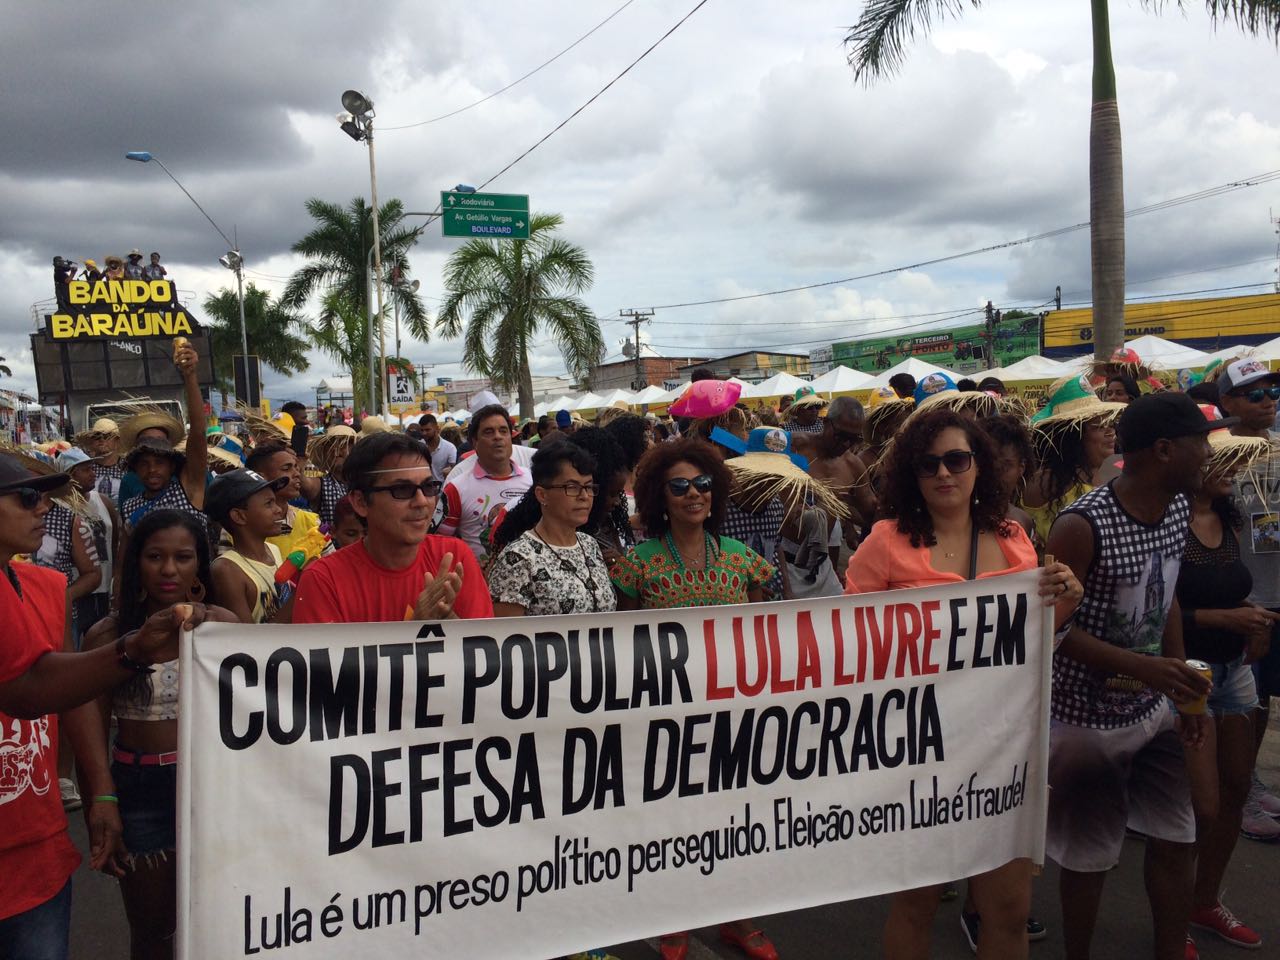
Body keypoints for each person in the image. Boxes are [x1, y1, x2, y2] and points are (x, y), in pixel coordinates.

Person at [845, 408, 1082, 960]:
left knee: (1008, 910)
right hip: (918, 756)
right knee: (917, 905)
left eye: (956, 459)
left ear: (979, 466)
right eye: (929, 464)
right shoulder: (886, 543)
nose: (943, 474)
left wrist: (1065, 598)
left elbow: (1033, 642)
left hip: (1005, 751)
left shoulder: (1013, 537)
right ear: (911, 473)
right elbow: (849, 644)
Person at [1045, 393, 1217, 960]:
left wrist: (1182, 684)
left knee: (1178, 836)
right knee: (1089, 858)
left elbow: (1164, 594)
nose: (1208, 456)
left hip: (1154, 711)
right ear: (1165, 450)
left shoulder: (1174, 509)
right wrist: (1148, 668)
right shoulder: (1081, 525)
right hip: (1085, 723)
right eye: (1201, 444)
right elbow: (1052, 633)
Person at [0, 455, 186, 960]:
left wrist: (101, 797)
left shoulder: (45, 586)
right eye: (27, 498)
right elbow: (26, 690)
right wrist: (133, 650)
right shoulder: (111, 633)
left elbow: (68, 690)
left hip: (35, 841)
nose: (44, 508)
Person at [612, 437, 778, 960]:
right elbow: (622, 643)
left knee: (736, 820)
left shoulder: (744, 561)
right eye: (679, 485)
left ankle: (739, 919)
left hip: (733, 715)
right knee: (674, 823)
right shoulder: (636, 566)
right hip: (665, 717)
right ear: (660, 496)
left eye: (702, 483)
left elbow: (769, 637)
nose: (693, 494)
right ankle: (675, 921)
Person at [82, 510, 237, 960]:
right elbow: (90, 720)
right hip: (140, 789)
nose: (169, 570)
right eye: (155, 557)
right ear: (136, 565)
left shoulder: (221, 626)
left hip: (215, 788)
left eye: (183, 557)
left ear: (199, 565)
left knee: (221, 919)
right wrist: (103, 798)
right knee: (152, 930)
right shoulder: (108, 634)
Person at [1174, 409, 1276, 950]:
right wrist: (1224, 619)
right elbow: (1155, 617)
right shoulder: (1166, 524)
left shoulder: (1232, 519)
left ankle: (1205, 900)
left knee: (1236, 788)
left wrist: (1253, 616)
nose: (1231, 469)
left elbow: (1231, 588)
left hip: (1236, 671)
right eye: (1219, 458)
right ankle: (1173, 911)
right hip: (1184, 673)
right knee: (1196, 801)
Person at [293, 432, 492, 623]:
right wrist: (417, 628)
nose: (422, 501)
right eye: (402, 490)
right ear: (360, 502)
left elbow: (484, 649)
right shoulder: (323, 581)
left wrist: (447, 620)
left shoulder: (455, 558)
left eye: (428, 486)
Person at [1216, 358, 1280, 838]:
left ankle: (1250, 781)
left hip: (1276, 590)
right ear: (1228, 403)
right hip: (1242, 598)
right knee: (1245, 699)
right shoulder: (1218, 458)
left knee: (1265, 700)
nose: (1268, 401)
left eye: (1271, 391)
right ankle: (1242, 788)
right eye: (1254, 394)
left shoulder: (1278, 451)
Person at [491, 443, 615, 617]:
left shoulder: (589, 544)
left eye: (588, 487)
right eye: (572, 487)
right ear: (542, 495)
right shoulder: (518, 558)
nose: (584, 496)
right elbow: (506, 635)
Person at [119, 343, 208, 537]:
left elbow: (199, 433)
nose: (152, 470)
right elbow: (125, 558)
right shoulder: (129, 507)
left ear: (171, 465)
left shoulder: (189, 489)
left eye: (159, 462)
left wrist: (190, 376)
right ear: (134, 467)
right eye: (144, 463)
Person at [1023, 374, 1124, 544]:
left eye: (1110, 423)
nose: (1110, 432)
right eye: (1098, 426)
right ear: (1074, 436)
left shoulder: (1115, 468)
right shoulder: (1047, 482)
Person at [437, 404, 533, 565]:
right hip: (480, 587)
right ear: (474, 442)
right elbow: (440, 544)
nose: (498, 437)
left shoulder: (533, 480)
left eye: (503, 431)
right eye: (488, 432)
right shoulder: (456, 488)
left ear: (511, 437)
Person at [207, 470, 295, 624]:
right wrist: (302, 594)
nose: (279, 509)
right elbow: (247, 640)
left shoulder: (272, 550)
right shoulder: (227, 569)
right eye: (269, 504)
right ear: (239, 516)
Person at [59, 447, 120, 647]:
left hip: (103, 590)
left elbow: (115, 540)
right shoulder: (60, 507)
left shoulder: (103, 501)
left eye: (92, 467)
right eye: (86, 469)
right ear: (70, 474)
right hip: (77, 591)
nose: (93, 473)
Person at [245, 442, 324, 560]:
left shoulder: (313, 523)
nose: (297, 474)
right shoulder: (241, 526)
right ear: (260, 477)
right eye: (286, 468)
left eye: (296, 467)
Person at [979, 413, 1038, 544]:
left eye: (1004, 467)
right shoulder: (963, 519)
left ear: (1021, 467)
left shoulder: (1023, 521)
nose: (994, 474)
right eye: (989, 465)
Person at [299, 425, 356, 527]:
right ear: (325, 454)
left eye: (344, 446)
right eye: (332, 447)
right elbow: (305, 484)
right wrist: (299, 465)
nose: (337, 452)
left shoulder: (365, 482)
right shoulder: (322, 484)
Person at [85, 418, 126, 501]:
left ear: (117, 441)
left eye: (107, 436)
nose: (101, 440)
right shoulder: (85, 468)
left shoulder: (127, 466)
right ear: (92, 442)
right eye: (97, 436)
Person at [419, 414, 457, 482]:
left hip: (442, 488)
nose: (424, 433)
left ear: (437, 428)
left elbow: (454, 470)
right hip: (424, 488)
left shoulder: (450, 448)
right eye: (422, 430)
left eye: (427, 430)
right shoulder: (418, 446)